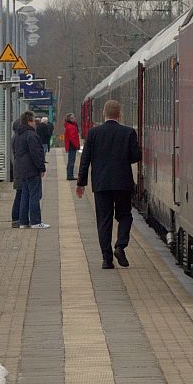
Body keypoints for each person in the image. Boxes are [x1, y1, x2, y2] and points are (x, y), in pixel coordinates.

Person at [76, 99, 140, 269]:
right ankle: (120, 246)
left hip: (101, 185)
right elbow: (136, 156)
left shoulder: (93, 133)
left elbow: (85, 159)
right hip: (122, 184)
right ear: (120, 114)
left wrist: (81, 183)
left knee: (104, 221)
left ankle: (107, 259)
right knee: (125, 216)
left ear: (103, 114)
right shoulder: (128, 132)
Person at [12, 110, 49, 229]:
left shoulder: (18, 135)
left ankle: (23, 222)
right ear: (29, 122)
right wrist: (41, 168)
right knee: (34, 195)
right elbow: (36, 153)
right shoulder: (31, 135)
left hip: (22, 170)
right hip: (32, 169)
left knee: (25, 195)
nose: (35, 124)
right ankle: (35, 221)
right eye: (34, 121)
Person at [10, 117, 24, 227]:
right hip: (21, 170)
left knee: (19, 193)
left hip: (18, 169)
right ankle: (16, 218)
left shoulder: (14, 137)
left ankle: (17, 218)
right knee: (20, 194)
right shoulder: (18, 138)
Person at [64, 113, 80, 181]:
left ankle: (69, 174)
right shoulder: (71, 127)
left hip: (70, 146)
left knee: (70, 160)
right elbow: (73, 137)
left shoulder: (69, 126)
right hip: (72, 146)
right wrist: (77, 145)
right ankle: (70, 175)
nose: (74, 119)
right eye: (72, 118)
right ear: (69, 119)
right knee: (71, 161)